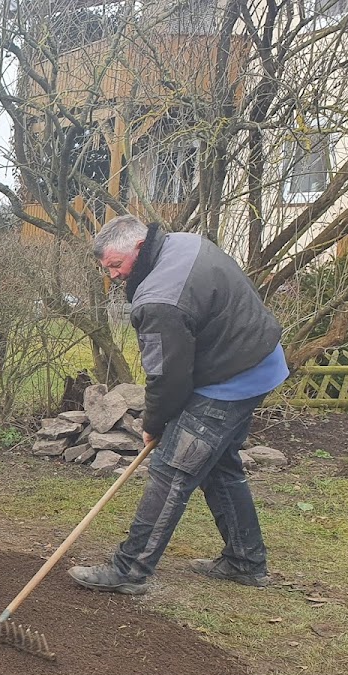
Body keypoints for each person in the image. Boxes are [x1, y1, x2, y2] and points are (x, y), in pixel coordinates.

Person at [68, 215, 289, 595]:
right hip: (259, 361)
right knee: (219, 466)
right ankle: (245, 561)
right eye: (107, 269)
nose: (114, 276)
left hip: (230, 379)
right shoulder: (183, 242)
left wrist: (155, 423)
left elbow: (167, 376)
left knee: (172, 470)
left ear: (139, 247)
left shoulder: (159, 300)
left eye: (116, 265)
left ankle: (129, 570)